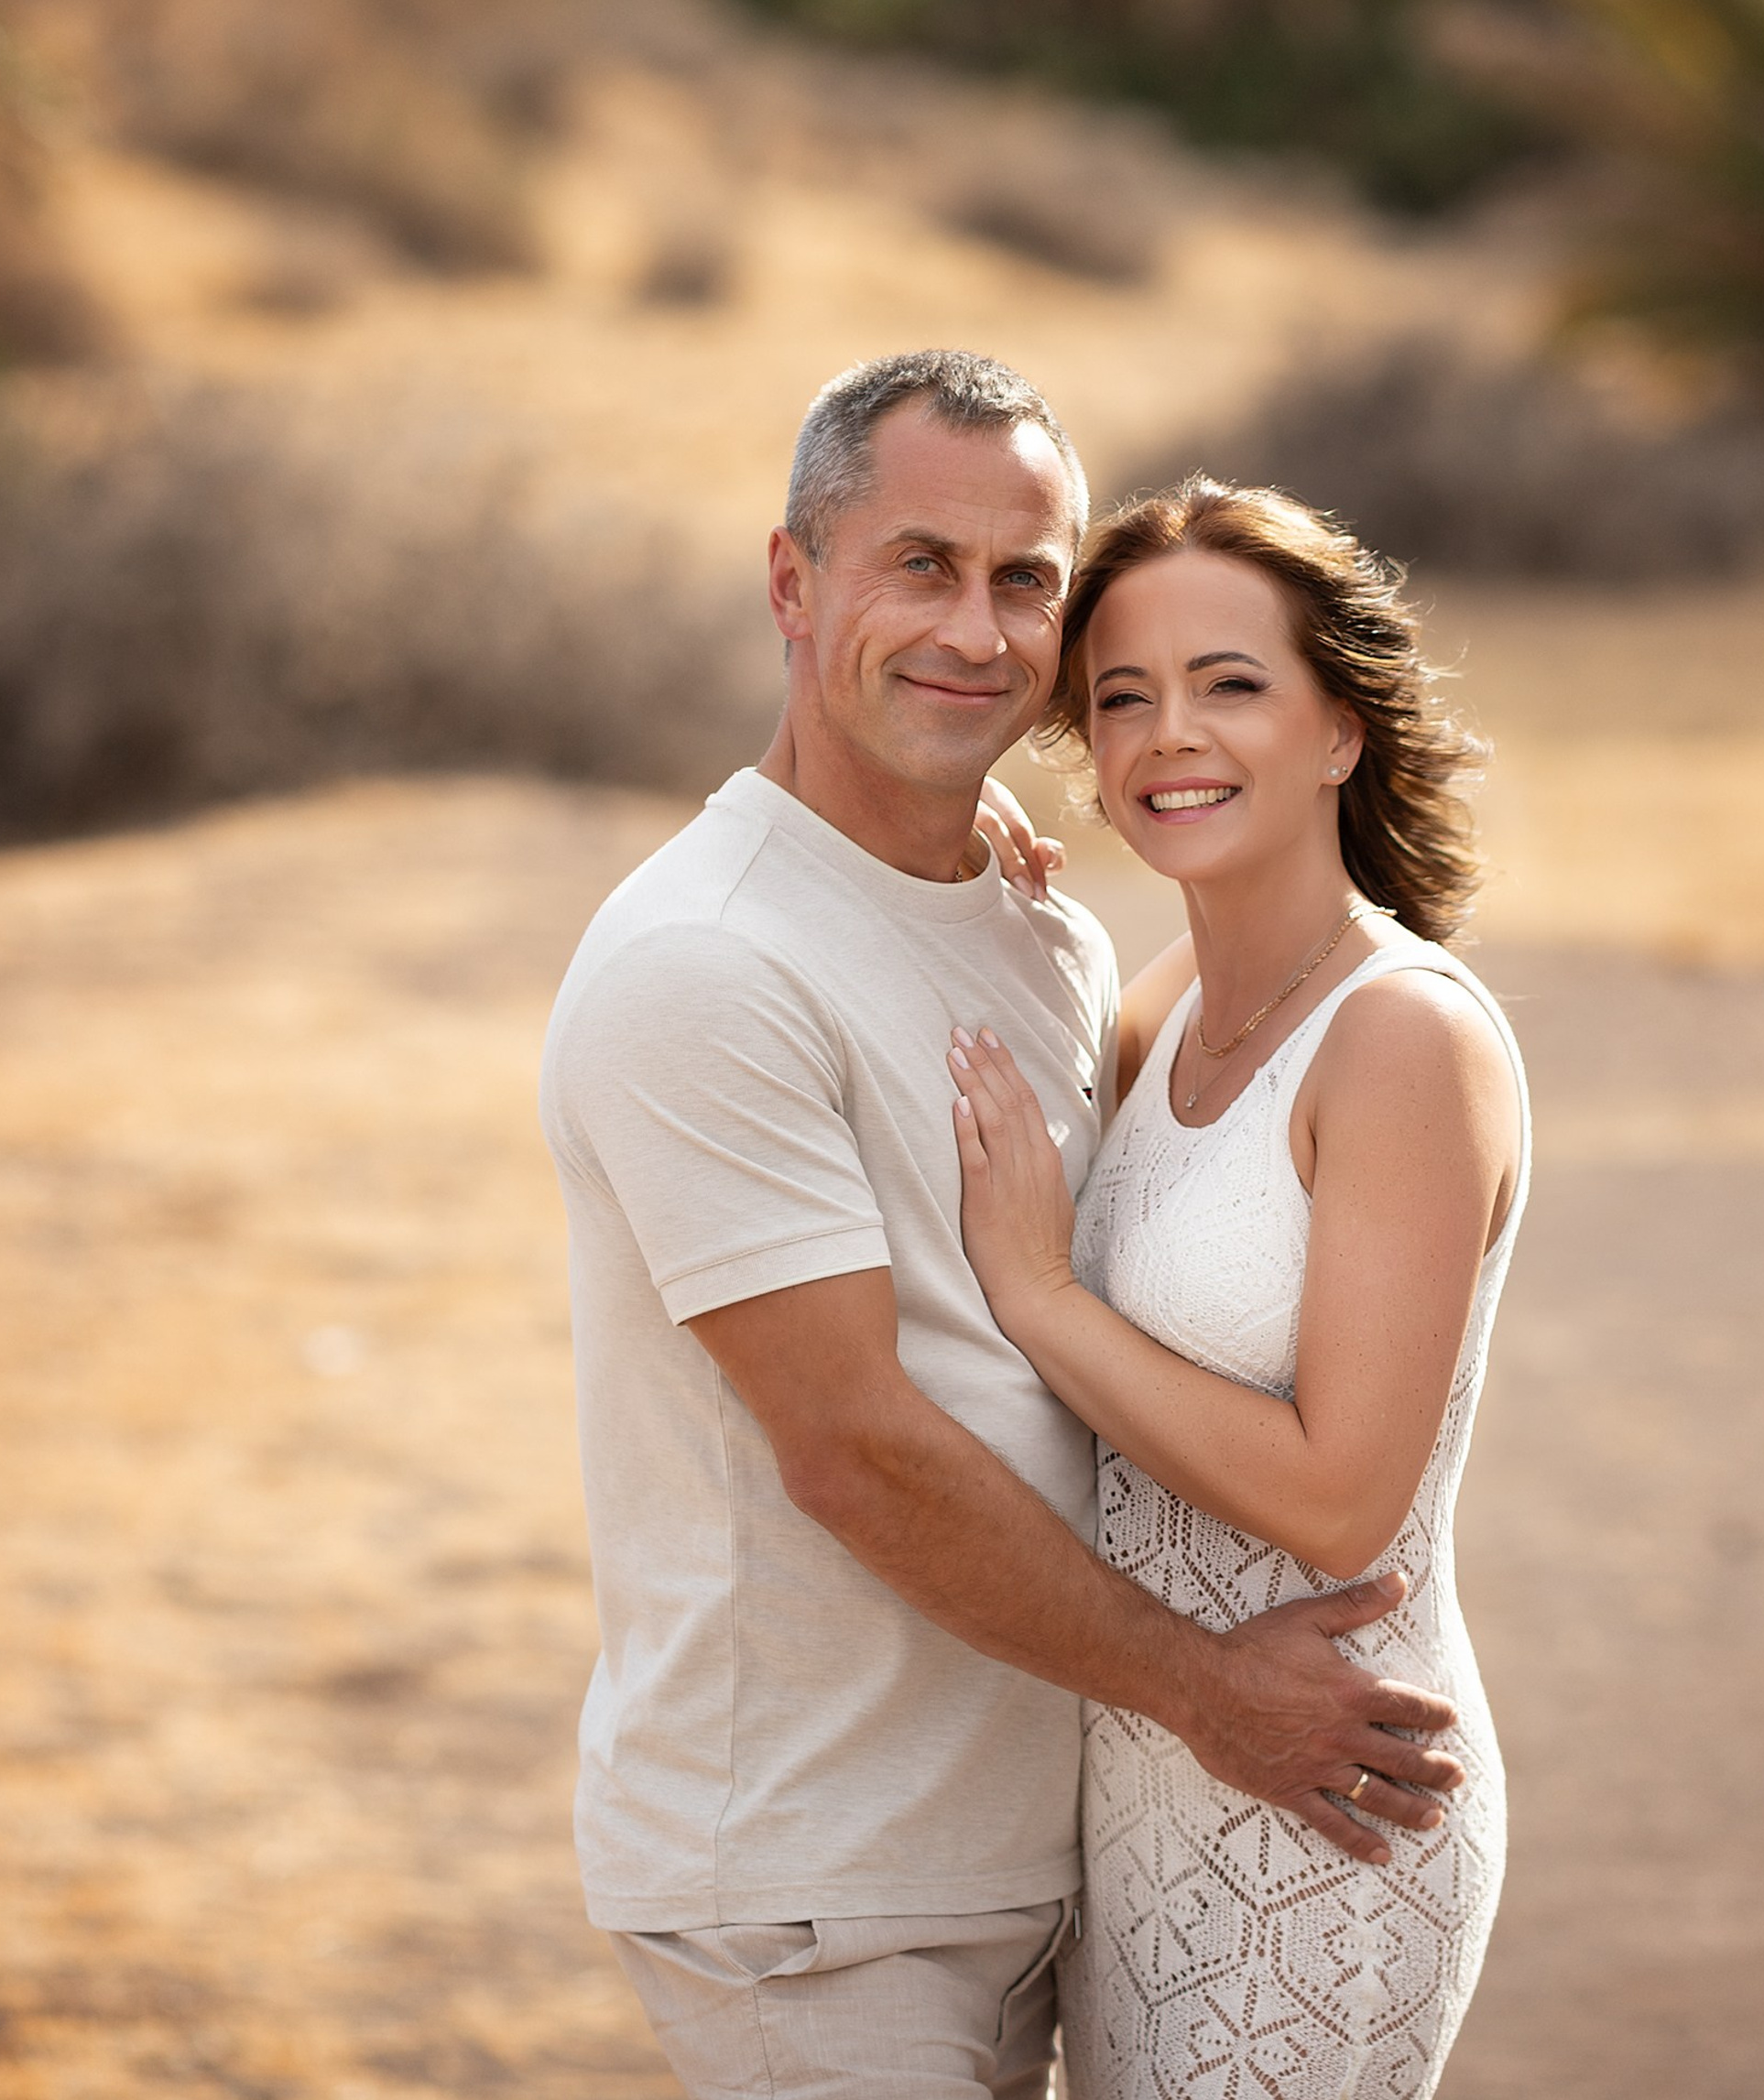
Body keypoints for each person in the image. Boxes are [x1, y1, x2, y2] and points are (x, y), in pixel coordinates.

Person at [539, 355, 1465, 2098]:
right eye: (920, 565)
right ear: (793, 581)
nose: (976, 630)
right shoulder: (704, 965)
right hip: (818, 1882)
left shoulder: (1050, 941)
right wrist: (1206, 1690)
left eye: (1025, 580)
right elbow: (854, 1450)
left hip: (1065, 1845)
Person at [946, 474, 1527, 2098]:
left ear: (1340, 727)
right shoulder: (1165, 1005)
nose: (1169, 737)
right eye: (1122, 697)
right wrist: (957, 858)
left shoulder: (1404, 1037)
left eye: (1229, 684)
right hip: (1139, 1782)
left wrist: (1044, 1297)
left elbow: (1342, 1500)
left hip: (1332, 1809)